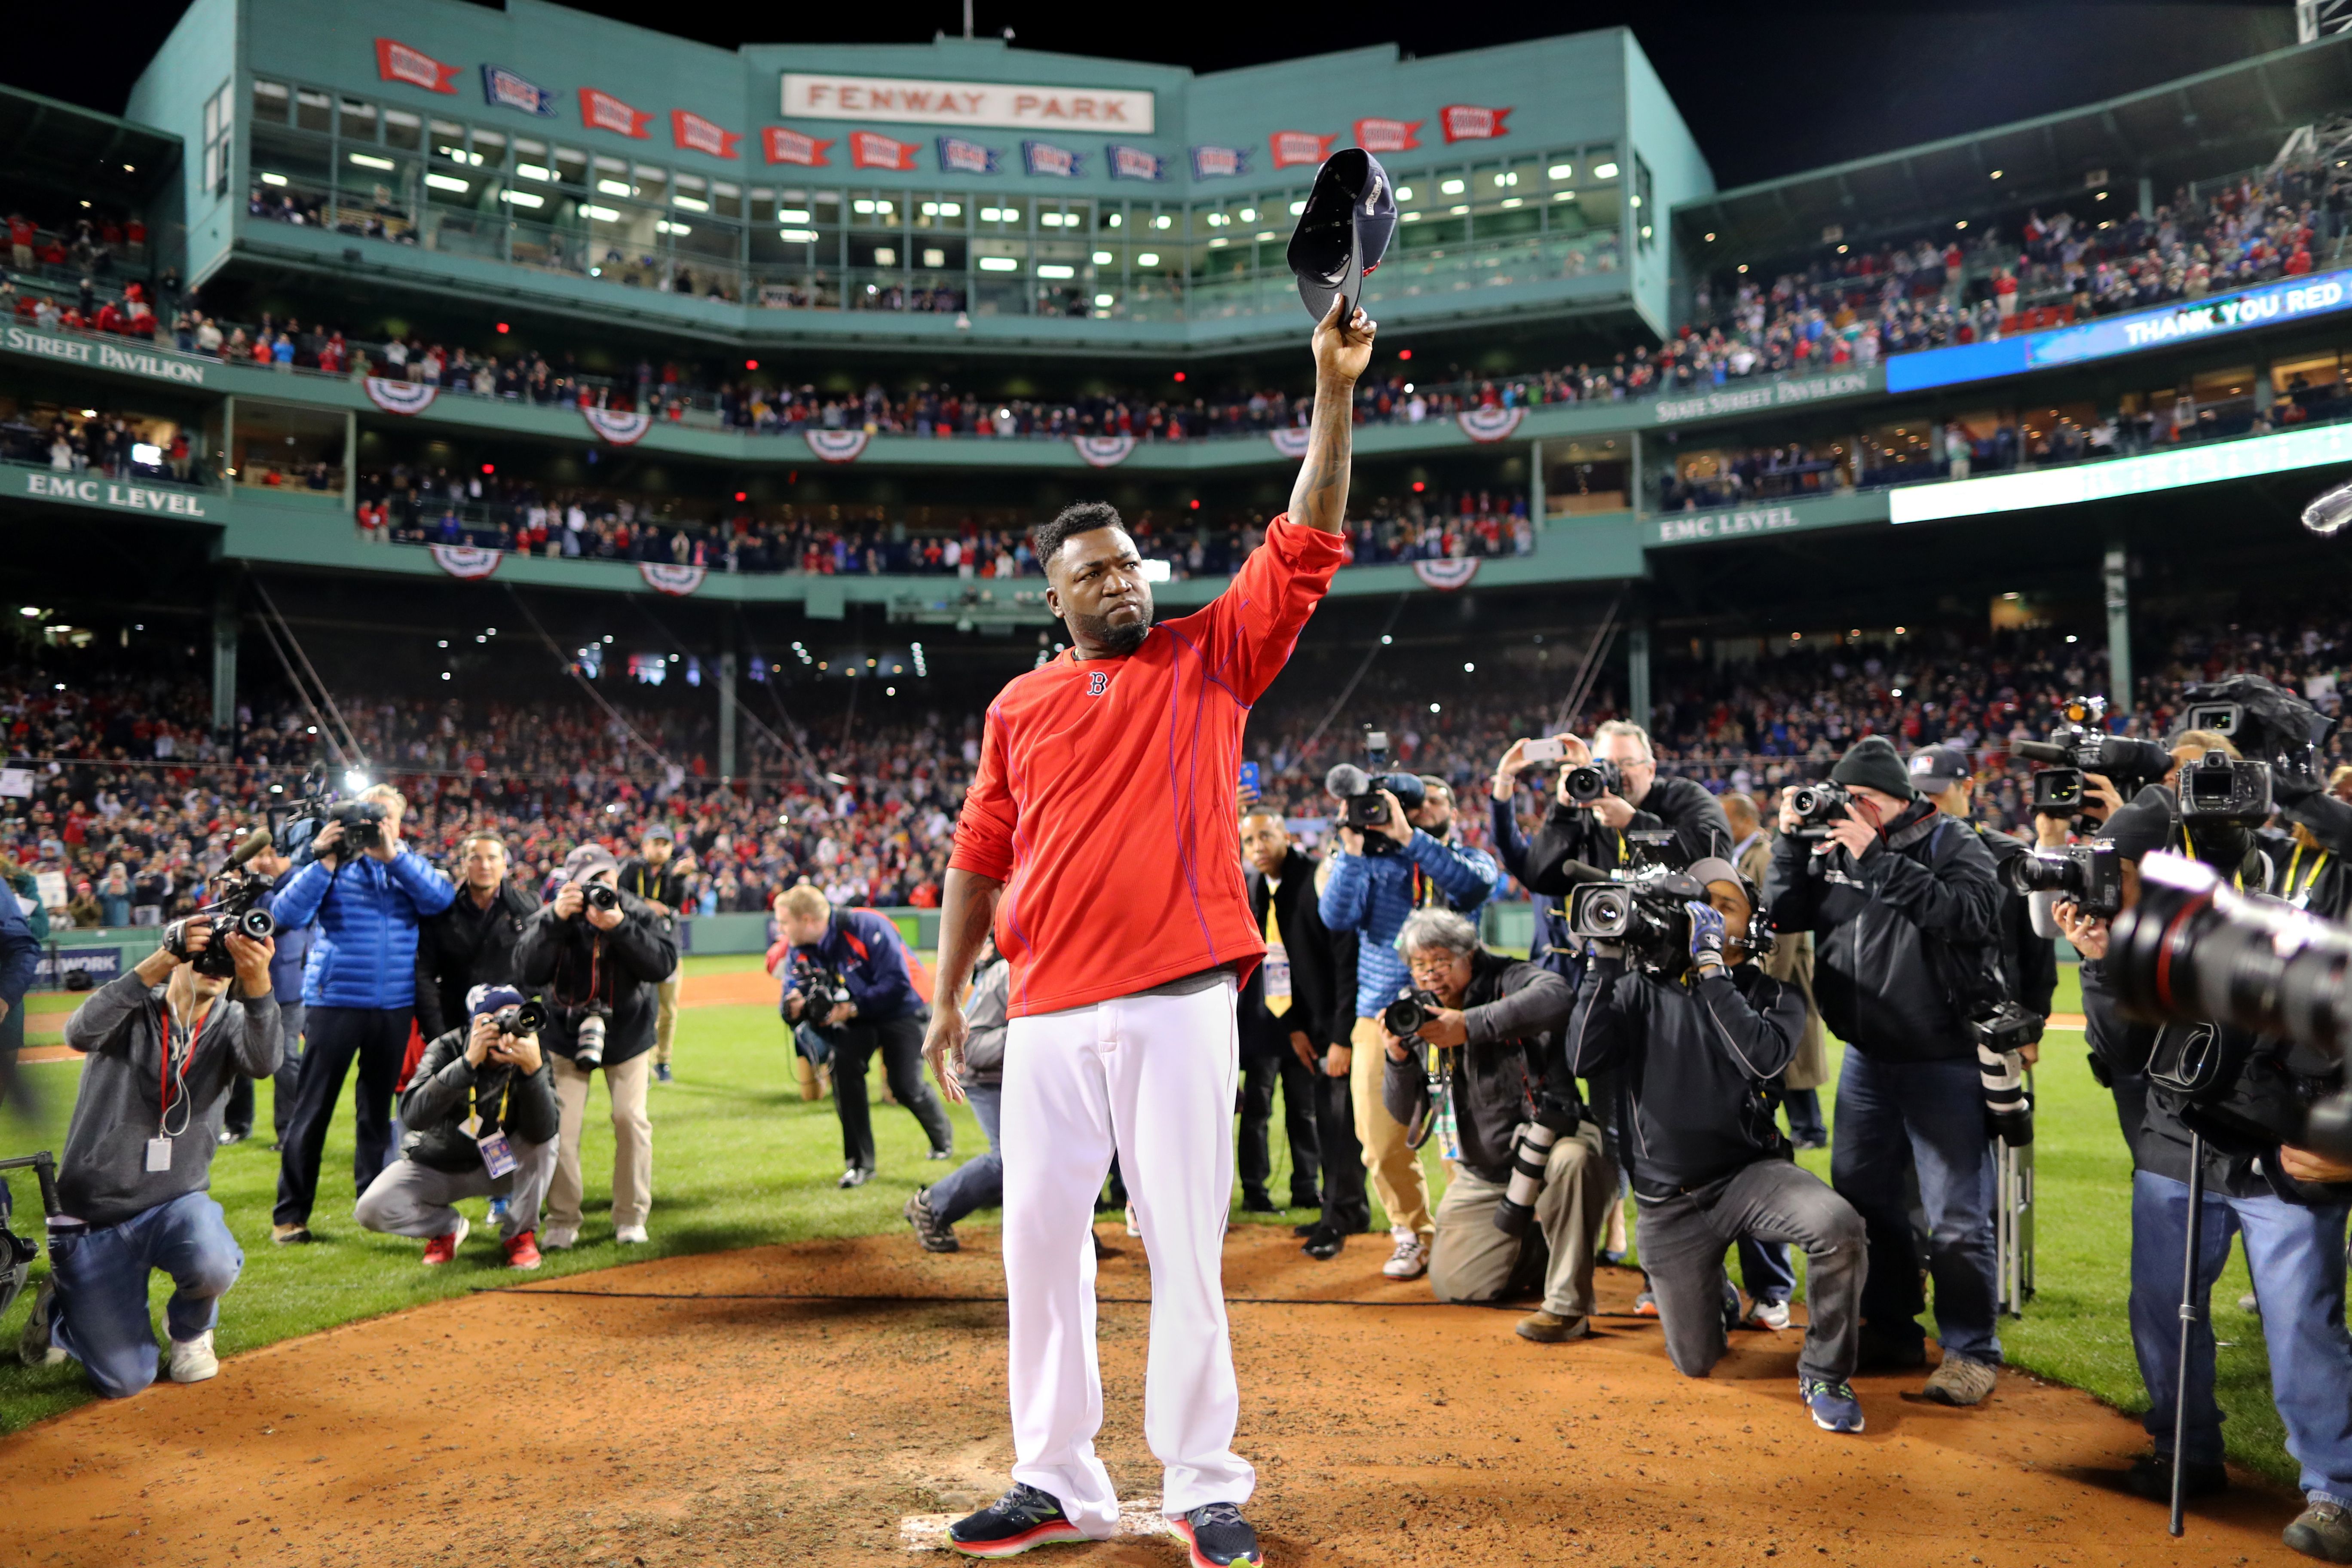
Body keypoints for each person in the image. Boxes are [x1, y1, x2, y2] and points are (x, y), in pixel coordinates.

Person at [921, 295, 1375, 1563]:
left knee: (1185, 1245)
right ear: (1056, 597)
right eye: (1092, 574)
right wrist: (951, 994)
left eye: (1127, 563)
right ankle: (1055, 1477)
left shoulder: (1210, 656)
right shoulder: (1019, 704)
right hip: (1049, 1011)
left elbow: (1307, 535)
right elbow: (976, 854)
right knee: (1041, 1255)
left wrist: (1331, 389)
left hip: (1179, 998)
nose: (1118, 581)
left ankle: (1202, 1481)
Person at [1569, 858, 1871, 1433]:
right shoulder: (1636, 990)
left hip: (1749, 1177)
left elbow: (1759, 1056)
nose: (1701, 911)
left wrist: (1711, 968)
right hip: (1668, 1203)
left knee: (1838, 1227)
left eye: (1722, 905)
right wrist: (1602, 963)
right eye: (1694, 900)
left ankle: (1826, 1372)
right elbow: (1583, 1058)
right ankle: (1717, 1295)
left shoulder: (1774, 994)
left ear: (1752, 927)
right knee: (1697, 1361)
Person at [1764, 734, 2005, 1406]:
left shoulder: (1951, 840)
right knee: (1867, 1205)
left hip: (1944, 1058)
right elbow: (1782, 915)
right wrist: (1789, 843)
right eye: (1847, 797)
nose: (1849, 808)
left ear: (1899, 801)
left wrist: (1877, 860)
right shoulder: (1833, 847)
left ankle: (1970, 1351)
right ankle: (1893, 1328)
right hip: (1868, 1058)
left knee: (1956, 1216)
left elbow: (1972, 916)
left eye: (1862, 799)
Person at [21, 921, 281, 1397]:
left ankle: (190, 1332)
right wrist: (162, 957)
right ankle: (61, 1307)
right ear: (179, 955)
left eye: (226, 961)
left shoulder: (230, 1022)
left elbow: (265, 1063)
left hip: (175, 1204)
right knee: (125, 1380)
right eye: (205, 954)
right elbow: (78, 1032)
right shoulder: (133, 1005)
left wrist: (259, 981)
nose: (215, 968)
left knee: (214, 1261)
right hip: (94, 1215)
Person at [1380, 908, 1609, 1342]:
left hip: (1550, 1143)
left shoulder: (1511, 977)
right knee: (1458, 1286)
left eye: (1442, 962)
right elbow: (1401, 1111)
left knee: (1574, 1160)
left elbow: (1559, 996)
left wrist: (1468, 1025)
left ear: (1471, 954)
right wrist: (1396, 1060)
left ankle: (1567, 1308)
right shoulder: (1418, 1008)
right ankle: (1543, 1247)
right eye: (1420, 965)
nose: (1431, 975)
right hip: (1485, 1173)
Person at [1319, 771, 1498, 1281]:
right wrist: (1353, 849)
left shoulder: (1469, 861)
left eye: (1431, 803)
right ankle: (1411, 1234)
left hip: (1455, 1016)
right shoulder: (1375, 865)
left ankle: (1472, 1237)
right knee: (1379, 1138)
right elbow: (1335, 916)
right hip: (1380, 1013)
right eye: (1409, 804)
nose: (1419, 811)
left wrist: (1408, 837)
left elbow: (1473, 886)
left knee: (1458, 1137)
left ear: (1454, 813)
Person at [269, 786, 455, 1244]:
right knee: (311, 1111)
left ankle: (374, 1206)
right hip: (334, 1003)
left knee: (376, 1116)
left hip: (393, 1006)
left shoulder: (409, 865)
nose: (375, 826)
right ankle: (290, 1215)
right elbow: (285, 914)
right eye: (367, 818)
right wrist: (326, 861)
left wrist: (393, 856)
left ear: (398, 823)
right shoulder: (332, 865)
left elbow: (441, 901)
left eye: (385, 817)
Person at [515, 843, 677, 1249]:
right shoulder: (555, 914)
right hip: (565, 1036)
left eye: (604, 879)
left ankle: (631, 1217)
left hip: (627, 1034)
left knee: (631, 1120)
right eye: (588, 882)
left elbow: (662, 966)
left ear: (616, 877)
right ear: (570, 882)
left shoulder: (636, 911)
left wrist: (619, 926)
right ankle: (562, 1222)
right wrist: (554, 920)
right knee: (560, 1131)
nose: (597, 889)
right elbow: (526, 972)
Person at [354, 984, 558, 1271]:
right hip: (440, 1165)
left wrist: (532, 1071)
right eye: (497, 1021)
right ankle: (444, 1229)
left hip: (503, 1169)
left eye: (515, 1019)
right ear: (475, 1025)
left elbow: (544, 1131)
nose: (509, 1032)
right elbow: (412, 1115)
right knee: (371, 1209)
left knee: (548, 1142)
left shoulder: (531, 1052)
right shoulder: (446, 1048)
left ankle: (520, 1235)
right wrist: (467, 1064)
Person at [775, 883, 952, 1187]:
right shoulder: (799, 949)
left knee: (904, 1086)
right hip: (856, 1015)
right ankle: (860, 1165)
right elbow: (792, 997)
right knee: (843, 1069)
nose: (781, 929)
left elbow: (898, 983)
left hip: (903, 1008)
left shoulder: (865, 925)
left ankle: (942, 1140)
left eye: (784, 922)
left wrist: (851, 1008)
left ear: (807, 919)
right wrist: (792, 1009)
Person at [1236, 808, 1334, 1219]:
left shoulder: (1315, 876)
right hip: (1261, 1019)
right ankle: (1255, 1190)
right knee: (1257, 1109)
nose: (1258, 848)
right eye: (1249, 841)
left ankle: (1307, 1188)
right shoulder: (1248, 884)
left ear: (1286, 836)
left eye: (1265, 837)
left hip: (1307, 1020)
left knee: (1304, 1106)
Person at [906, 937, 1009, 1253]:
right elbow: (972, 1050)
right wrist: (1028, 1032)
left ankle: (1068, 1231)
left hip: (1015, 1073)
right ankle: (932, 1206)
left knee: (1058, 1149)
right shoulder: (1008, 973)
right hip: (983, 1075)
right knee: (1008, 1157)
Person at [222, 836, 311, 1149]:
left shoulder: (300, 881)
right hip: (243, 982)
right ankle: (237, 1124)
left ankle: (290, 1133)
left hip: (286, 986)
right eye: (259, 854)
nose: (266, 860)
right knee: (235, 1054)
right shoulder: (246, 886)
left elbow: (278, 918)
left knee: (286, 1060)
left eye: (274, 853)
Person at [412, 832, 540, 1044]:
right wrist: (437, 1032)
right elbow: (424, 974)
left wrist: (521, 1008)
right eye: (476, 858)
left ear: (504, 864)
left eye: (492, 858)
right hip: (454, 1027)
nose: (485, 866)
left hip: (511, 1028)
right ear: (464, 865)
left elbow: (539, 967)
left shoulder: (528, 907)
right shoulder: (440, 912)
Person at [616, 825, 694, 1084]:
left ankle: (664, 1062)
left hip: (667, 947)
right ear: (645, 845)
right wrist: (646, 904)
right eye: (655, 843)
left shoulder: (674, 872)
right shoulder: (630, 868)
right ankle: (643, 1063)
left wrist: (681, 879)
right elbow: (619, 895)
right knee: (640, 1007)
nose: (660, 848)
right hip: (637, 948)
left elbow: (675, 904)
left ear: (671, 848)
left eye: (665, 844)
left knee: (668, 1010)